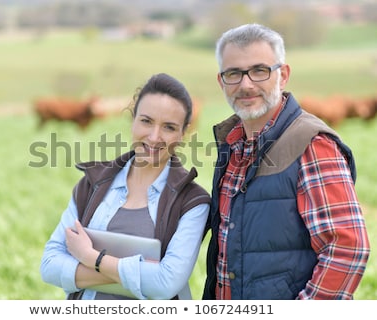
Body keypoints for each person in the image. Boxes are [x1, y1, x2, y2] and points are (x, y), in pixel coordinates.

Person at [203, 23, 370, 300]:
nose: (246, 85)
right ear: (221, 81)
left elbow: (348, 249)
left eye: (259, 70)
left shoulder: (311, 144)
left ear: (283, 76)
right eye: (234, 73)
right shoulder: (232, 146)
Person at [40, 73, 211, 300]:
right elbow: (50, 265)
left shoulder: (192, 202)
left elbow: (165, 284)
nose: (154, 136)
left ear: (183, 133)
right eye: (146, 121)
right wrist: (140, 274)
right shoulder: (92, 184)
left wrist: (91, 258)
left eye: (169, 127)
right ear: (133, 119)